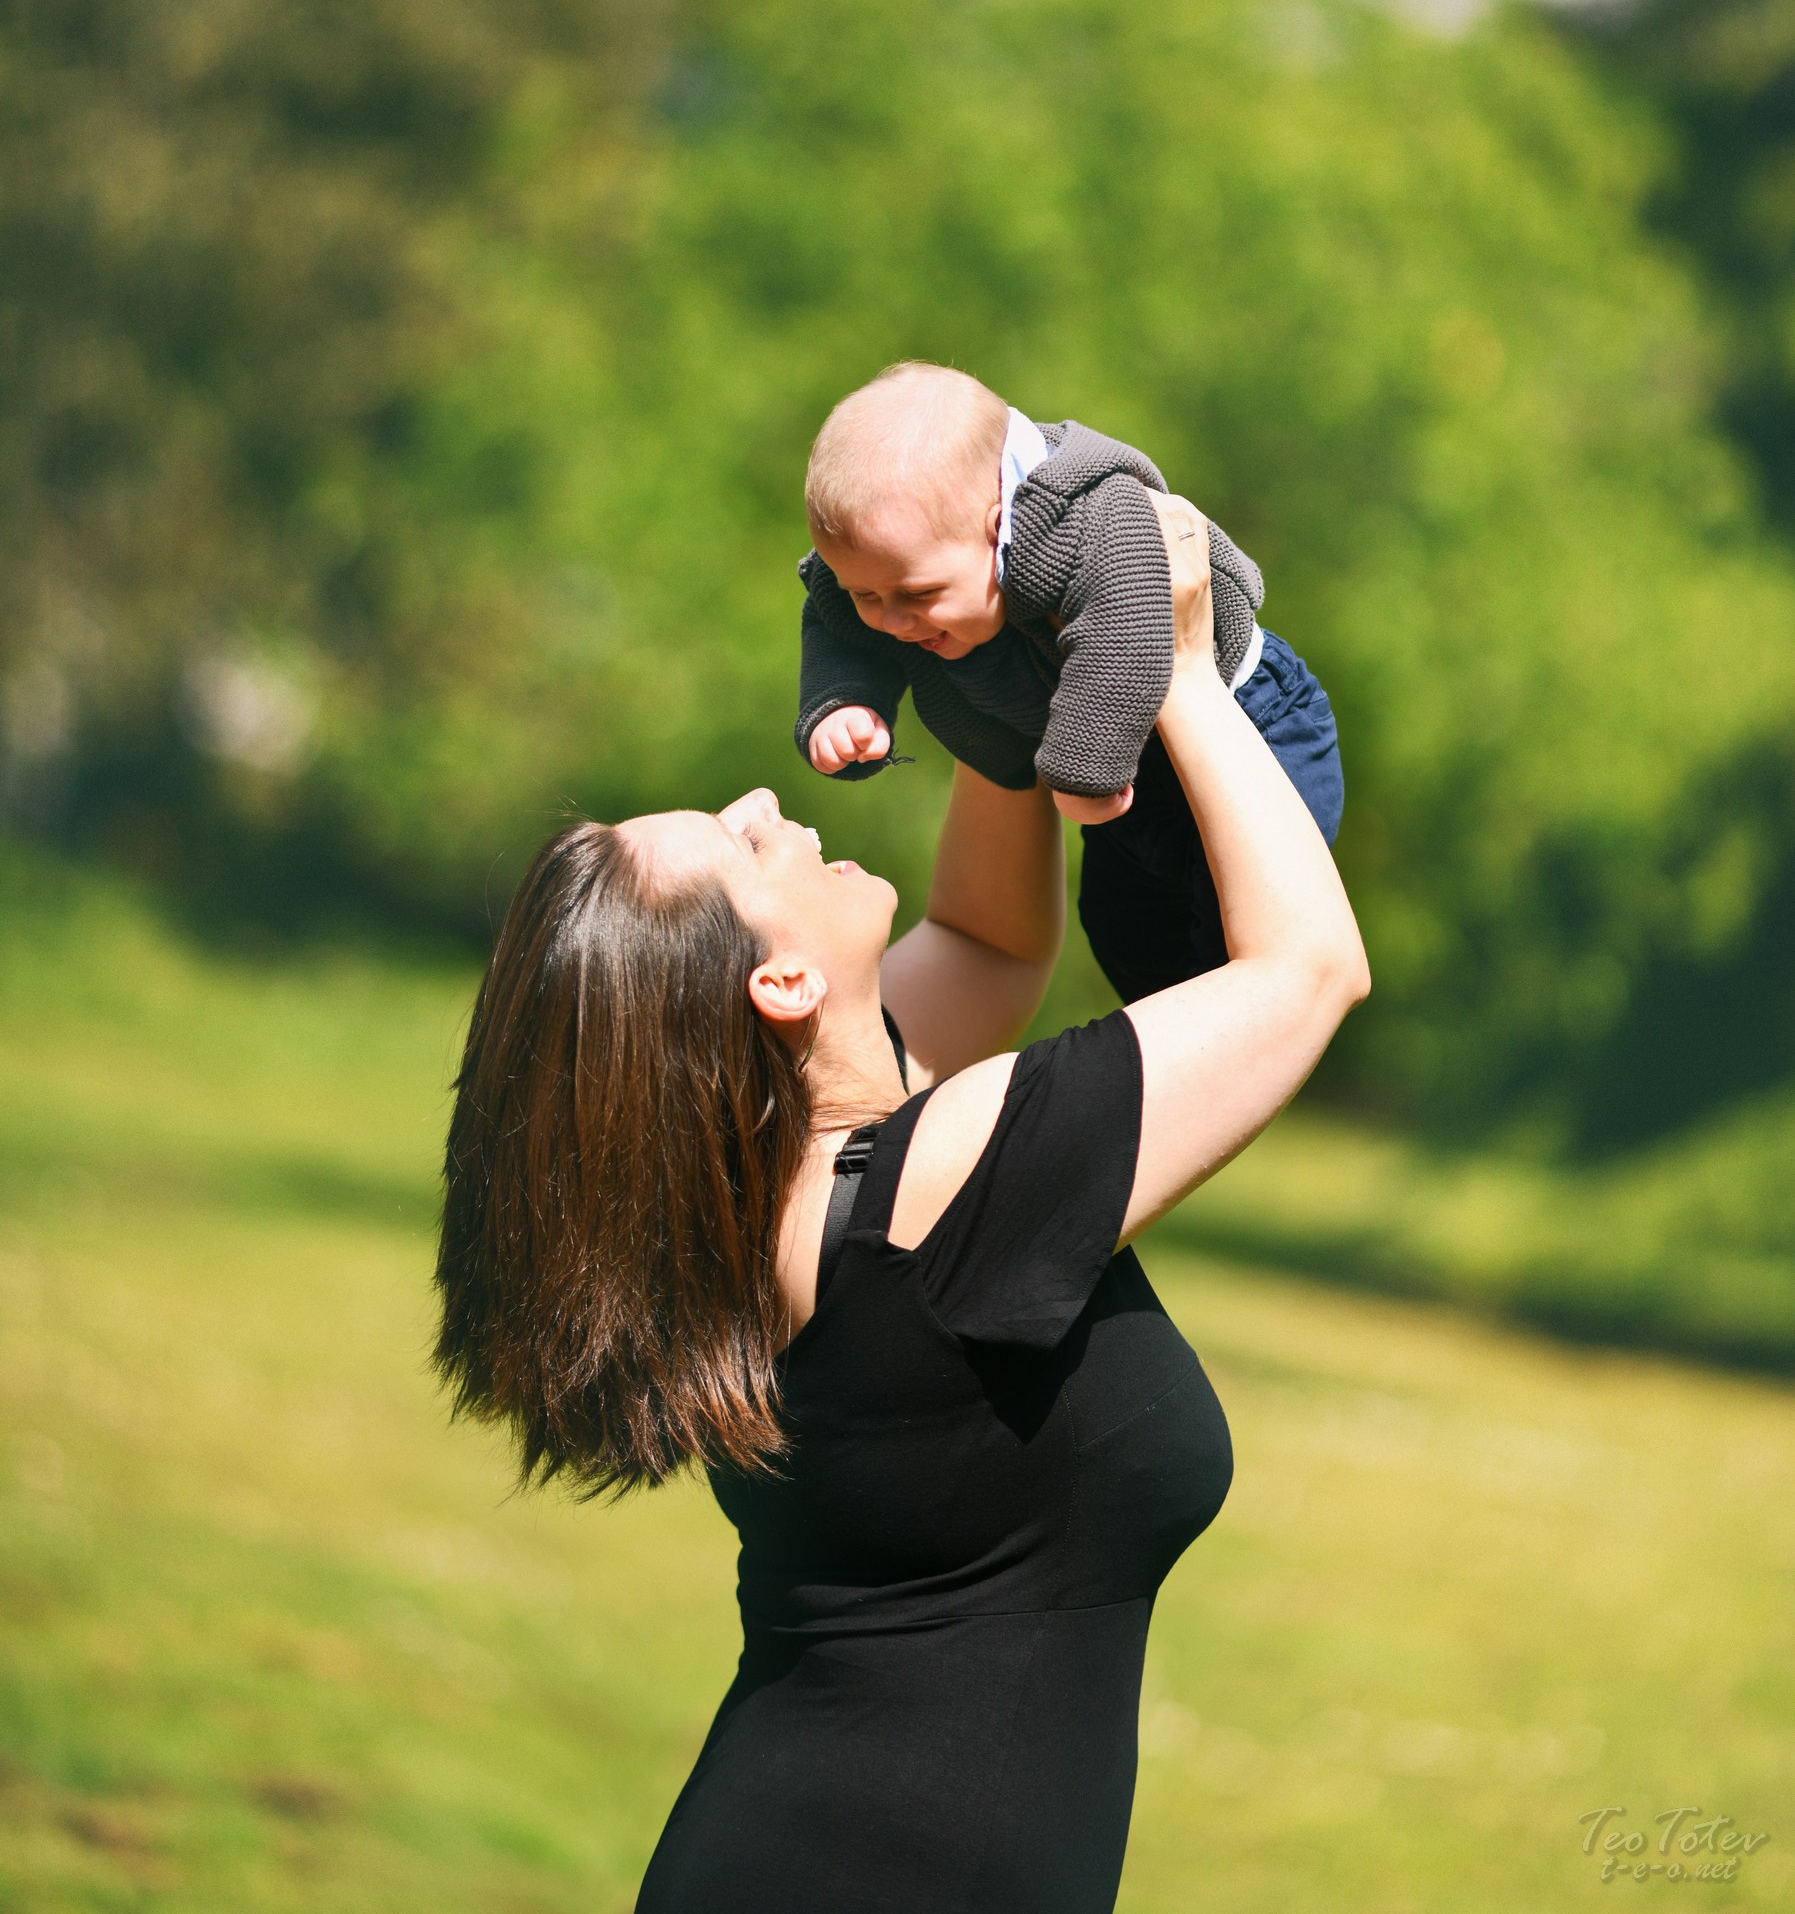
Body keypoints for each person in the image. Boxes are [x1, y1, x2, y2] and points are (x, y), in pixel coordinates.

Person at [434, 496, 1369, 1914]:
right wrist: (1163, 666)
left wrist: (993, 660)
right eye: (744, 850)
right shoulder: (937, 1183)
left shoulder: (779, 1186)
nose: (765, 806)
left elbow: (992, 946)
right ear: (778, 988)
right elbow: (1304, 973)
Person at [794, 361, 1345, 1002]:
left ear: (999, 527)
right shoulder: (911, 566)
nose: (891, 620)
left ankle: (1234, 1055)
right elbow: (837, 624)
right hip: (1136, 774)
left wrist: (1085, 768)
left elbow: (1129, 628)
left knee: (1242, 945)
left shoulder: (1088, 515)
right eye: (866, 593)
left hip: (1251, 726)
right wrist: (843, 703)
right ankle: (1163, 1060)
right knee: (1124, 931)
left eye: (916, 593)